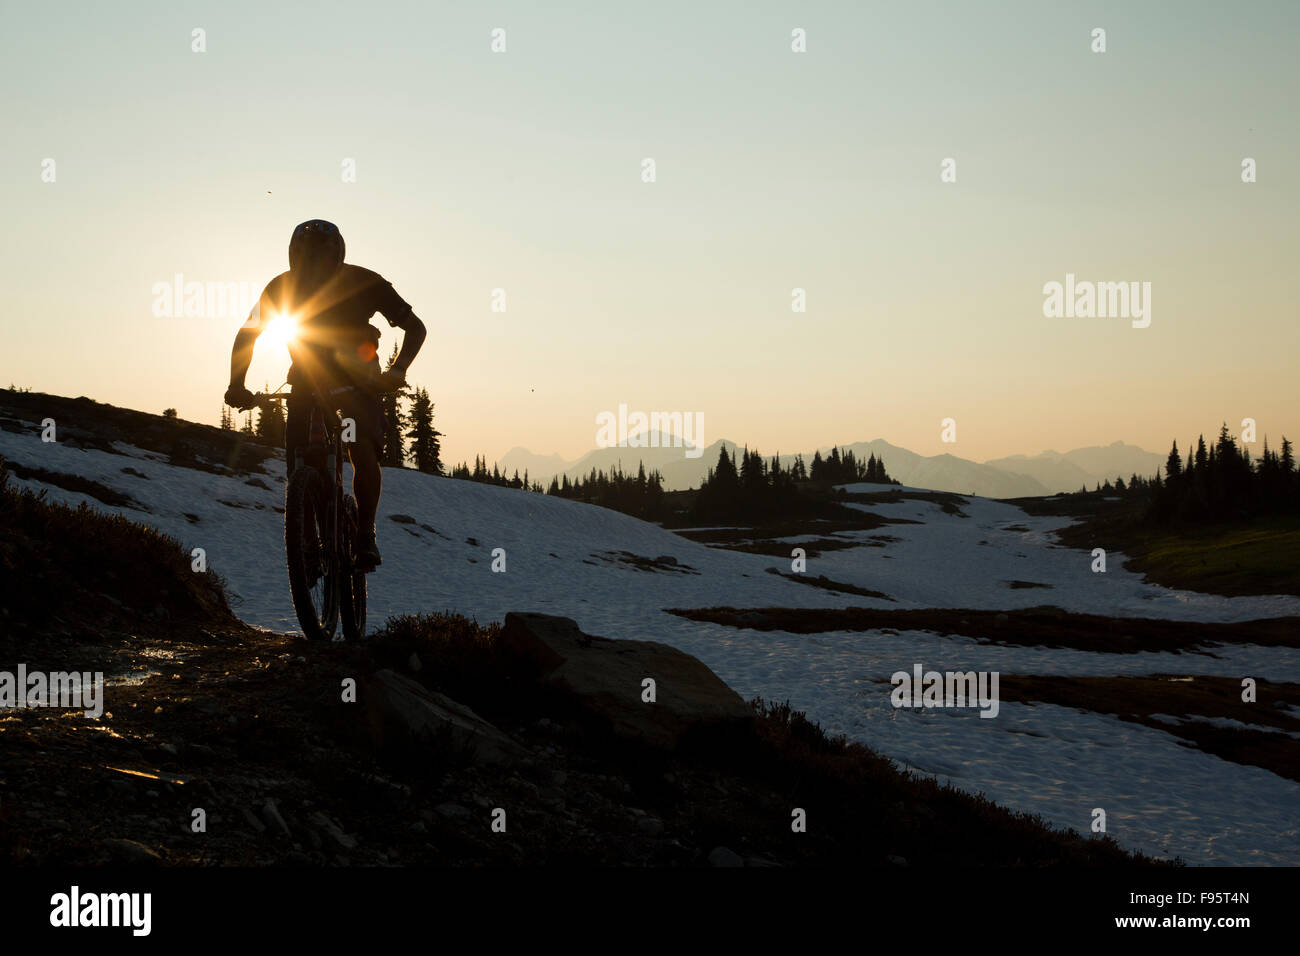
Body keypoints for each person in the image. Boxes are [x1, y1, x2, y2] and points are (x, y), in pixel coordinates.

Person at [224, 219, 426, 568]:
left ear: (336, 256)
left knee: (359, 450)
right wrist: (236, 383)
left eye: (319, 257)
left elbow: (415, 327)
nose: (313, 265)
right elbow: (248, 334)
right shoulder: (282, 287)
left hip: (356, 383)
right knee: (300, 464)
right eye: (307, 258)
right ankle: (309, 540)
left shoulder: (364, 282)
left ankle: (364, 534)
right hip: (308, 381)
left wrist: (396, 370)